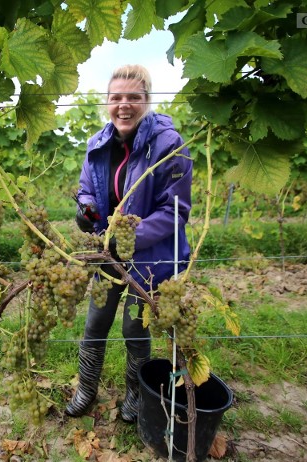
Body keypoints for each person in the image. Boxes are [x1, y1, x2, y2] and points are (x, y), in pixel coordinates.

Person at [67, 64, 193, 423]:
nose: (124, 105)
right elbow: (86, 188)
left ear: (147, 101)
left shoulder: (169, 144)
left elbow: (175, 211)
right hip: (108, 254)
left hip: (152, 257)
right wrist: (86, 209)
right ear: (107, 102)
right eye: (116, 97)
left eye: (133, 98)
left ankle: (135, 395)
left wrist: (127, 237)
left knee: (134, 328)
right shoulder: (97, 143)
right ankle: (86, 388)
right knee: (95, 322)